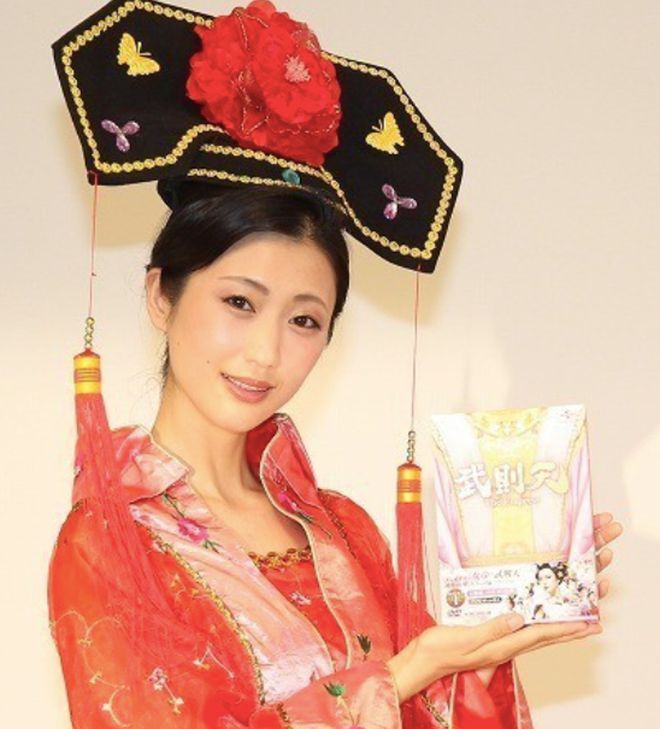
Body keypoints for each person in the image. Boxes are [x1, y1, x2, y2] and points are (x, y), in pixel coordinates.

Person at [48, 2, 623, 727]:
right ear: (161, 294)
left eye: (304, 320)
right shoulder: (108, 541)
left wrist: (482, 646)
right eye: (239, 302)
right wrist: (406, 671)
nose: (266, 352)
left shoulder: (344, 530)